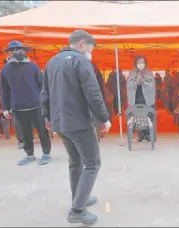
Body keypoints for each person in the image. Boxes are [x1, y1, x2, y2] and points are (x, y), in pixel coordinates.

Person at [41, 30, 111, 225]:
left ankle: (79, 197)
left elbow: (44, 92)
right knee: (92, 163)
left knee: (75, 161)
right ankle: (77, 210)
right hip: (79, 122)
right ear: (82, 44)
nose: (91, 53)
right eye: (90, 48)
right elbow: (93, 92)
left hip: (61, 123)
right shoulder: (81, 62)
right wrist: (104, 118)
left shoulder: (51, 62)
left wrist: (47, 116)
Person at [0, 40, 52, 166]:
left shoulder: (33, 66)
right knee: (25, 132)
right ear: (10, 52)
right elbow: (4, 90)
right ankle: (29, 154)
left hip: (36, 105)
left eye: (20, 49)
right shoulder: (5, 69)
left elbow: (42, 87)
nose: (18, 52)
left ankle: (46, 154)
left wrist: (46, 105)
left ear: (24, 50)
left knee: (42, 130)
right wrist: (6, 108)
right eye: (15, 50)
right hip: (18, 106)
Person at [127, 55, 156, 142]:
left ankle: (147, 133)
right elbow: (129, 85)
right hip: (136, 98)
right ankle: (140, 134)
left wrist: (143, 81)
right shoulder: (132, 72)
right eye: (139, 62)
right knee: (138, 115)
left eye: (143, 62)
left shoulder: (149, 72)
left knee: (147, 115)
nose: (141, 64)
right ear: (136, 63)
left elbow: (152, 85)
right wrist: (137, 81)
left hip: (147, 98)